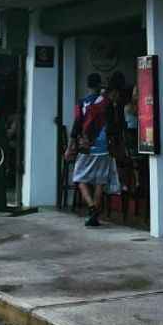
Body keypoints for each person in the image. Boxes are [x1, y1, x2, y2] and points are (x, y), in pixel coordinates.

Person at [66, 73, 115, 228]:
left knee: (79, 177)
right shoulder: (107, 103)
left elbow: (77, 125)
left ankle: (92, 207)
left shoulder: (82, 103)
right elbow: (114, 126)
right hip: (104, 147)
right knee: (100, 181)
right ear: (99, 85)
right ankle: (94, 214)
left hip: (86, 147)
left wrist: (70, 147)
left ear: (87, 85)